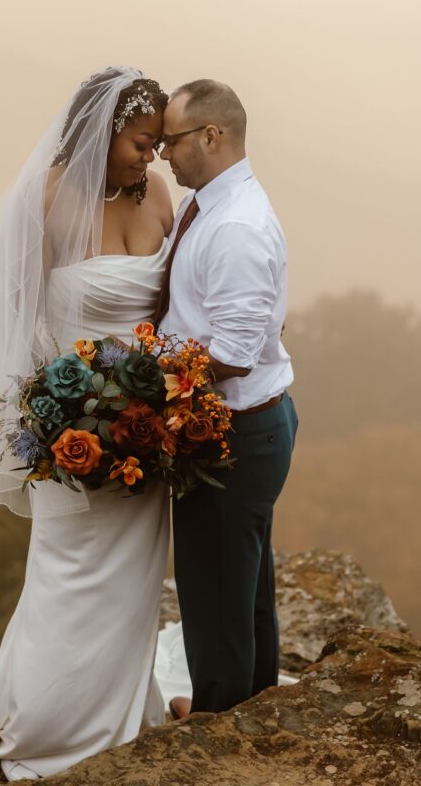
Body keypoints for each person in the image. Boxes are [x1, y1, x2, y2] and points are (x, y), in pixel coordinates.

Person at [0, 66, 175, 781]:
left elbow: (177, 302)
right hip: (69, 424)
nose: (148, 157)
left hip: (147, 431)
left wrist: (168, 399)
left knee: (132, 583)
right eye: (139, 141)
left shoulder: (158, 193)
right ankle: (48, 718)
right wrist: (53, 412)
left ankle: (123, 708)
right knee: (66, 573)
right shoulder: (45, 199)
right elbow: (16, 320)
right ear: (102, 128)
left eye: (156, 144)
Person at [153, 78, 298, 718]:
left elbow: (234, 354)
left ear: (211, 137)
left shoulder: (235, 224)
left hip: (236, 431)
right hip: (245, 425)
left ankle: (217, 724)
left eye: (171, 142)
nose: (162, 155)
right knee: (244, 588)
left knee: (215, 593)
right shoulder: (211, 203)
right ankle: (255, 710)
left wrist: (142, 379)